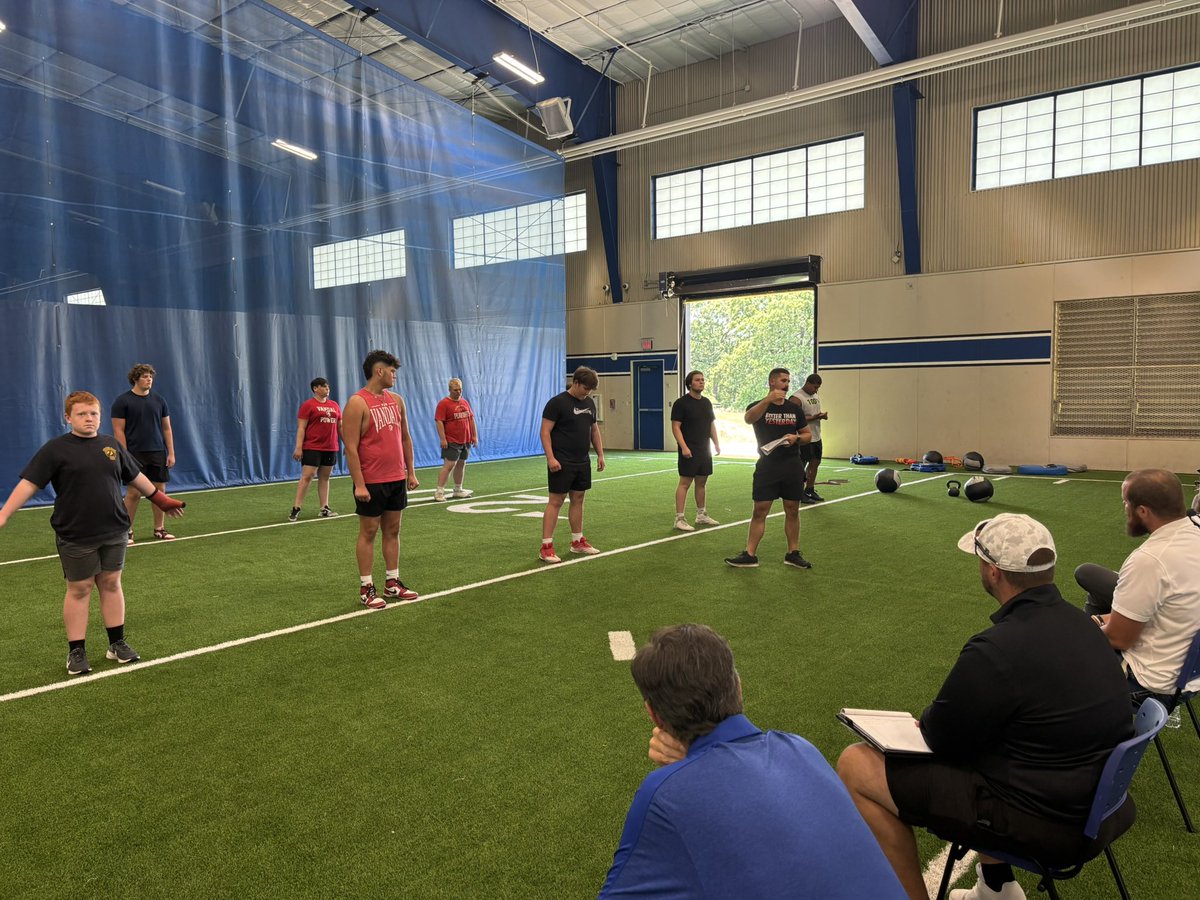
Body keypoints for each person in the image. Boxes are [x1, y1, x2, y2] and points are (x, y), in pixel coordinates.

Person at [836, 513, 1134, 900]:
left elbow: (941, 738)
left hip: (1050, 822)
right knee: (993, 737)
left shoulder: (997, 649)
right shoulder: (1086, 626)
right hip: (1099, 806)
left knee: (856, 764)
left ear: (993, 572)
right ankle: (997, 889)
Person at [600, 623, 905, 898]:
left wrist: (684, 769)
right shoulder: (800, 747)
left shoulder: (664, 794)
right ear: (739, 686)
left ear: (653, 714)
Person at [0, 391, 185, 675]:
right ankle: (76, 651)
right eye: (82, 414)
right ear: (67, 417)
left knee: (111, 583)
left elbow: (136, 477)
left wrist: (160, 499)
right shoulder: (55, 449)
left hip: (114, 529)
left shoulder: (111, 445)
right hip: (75, 533)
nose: (89, 419)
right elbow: (29, 485)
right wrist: (4, 514)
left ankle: (117, 644)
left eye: (94, 413)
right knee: (80, 588)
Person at [1076, 467, 1200, 708]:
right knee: (1093, 592)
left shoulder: (1149, 560)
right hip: (1192, 671)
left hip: (1151, 685)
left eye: (1126, 503)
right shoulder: (1195, 528)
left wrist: (1086, 629)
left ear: (1142, 511)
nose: (1125, 509)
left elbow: (1119, 639)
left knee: (1061, 645)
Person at [342, 350, 420, 609]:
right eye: (391, 371)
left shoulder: (396, 400)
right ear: (379, 371)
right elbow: (350, 448)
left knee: (393, 530)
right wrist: (360, 484)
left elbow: (405, 438)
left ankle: (392, 582)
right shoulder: (357, 403)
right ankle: (366, 587)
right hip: (371, 480)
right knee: (369, 531)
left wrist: (411, 472)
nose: (394, 375)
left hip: (396, 477)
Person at [724, 368, 812, 569]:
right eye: (783, 380)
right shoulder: (758, 406)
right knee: (760, 510)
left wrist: (796, 438)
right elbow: (748, 419)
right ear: (772, 382)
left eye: (789, 380)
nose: (787, 384)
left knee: (792, 510)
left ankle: (793, 553)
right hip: (767, 466)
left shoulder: (794, 409)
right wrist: (767, 401)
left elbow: (808, 435)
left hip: (792, 465)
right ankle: (750, 554)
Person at [539, 366, 605, 564]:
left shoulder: (589, 404)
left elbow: (594, 430)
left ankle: (577, 542)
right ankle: (546, 547)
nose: (588, 392)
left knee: (578, 498)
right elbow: (545, 432)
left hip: (582, 460)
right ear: (575, 382)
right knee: (556, 501)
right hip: (561, 461)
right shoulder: (557, 403)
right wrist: (551, 458)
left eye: (591, 390)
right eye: (585, 388)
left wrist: (600, 455)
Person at [111, 362, 177, 543]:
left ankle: (159, 529)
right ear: (135, 379)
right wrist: (125, 455)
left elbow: (166, 428)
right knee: (133, 493)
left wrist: (170, 453)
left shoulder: (159, 400)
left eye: (151, 377)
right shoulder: (122, 401)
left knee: (160, 491)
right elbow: (118, 430)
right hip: (134, 454)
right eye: (145, 376)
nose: (149, 380)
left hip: (157, 452)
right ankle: (126, 531)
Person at [669, 370, 721, 532]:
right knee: (685, 483)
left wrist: (716, 443)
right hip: (689, 449)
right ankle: (679, 518)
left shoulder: (706, 403)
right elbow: (675, 427)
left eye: (703, 380)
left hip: (704, 449)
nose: (701, 382)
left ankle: (701, 515)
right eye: (698, 380)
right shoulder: (681, 403)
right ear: (690, 383)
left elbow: (711, 424)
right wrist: (684, 446)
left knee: (702, 482)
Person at [289, 377, 342, 522]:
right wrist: (299, 447)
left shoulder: (335, 405)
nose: (327, 389)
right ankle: (296, 508)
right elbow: (301, 428)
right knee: (307, 476)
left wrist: (348, 444)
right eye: (324, 387)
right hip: (312, 447)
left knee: (325, 477)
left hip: (330, 447)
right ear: (315, 388)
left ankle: (324, 508)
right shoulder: (308, 405)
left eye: (328, 386)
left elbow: (340, 427)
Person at [433, 377, 478, 503]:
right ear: (449, 390)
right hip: (452, 441)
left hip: (465, 440)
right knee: (449, 465)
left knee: (461, 464)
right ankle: (439, 491)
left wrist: (474, 436)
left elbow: (471, 419)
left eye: (460, 389)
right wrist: (443, 439)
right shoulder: (444, 404)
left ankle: (458, 490)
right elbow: (439, 421)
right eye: (455, 390)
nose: (458, 392)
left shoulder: (464, 402)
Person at [790, 372, 828, 503]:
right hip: (804, 437)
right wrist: (815, 417)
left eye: (818, 388)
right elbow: (794, 419)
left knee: (815, 463)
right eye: (814, 387)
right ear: (807, 383)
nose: (816, 390)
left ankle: (809, 489)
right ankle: (798, 492)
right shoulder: (796, 398)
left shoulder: (815, 395)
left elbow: (813, 412)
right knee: (801, 466)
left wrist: (821, 416)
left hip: (816, 436)